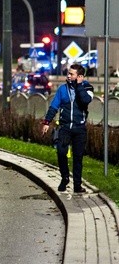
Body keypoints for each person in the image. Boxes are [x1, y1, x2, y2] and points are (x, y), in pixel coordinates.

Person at [41, 63, 93, 193]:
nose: (68, 75)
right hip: (64, 127)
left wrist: (79, 85)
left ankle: (77, 185)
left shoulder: (87, 87)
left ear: (80, 76)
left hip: (79, 128)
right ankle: (64, 177)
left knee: (78, 158)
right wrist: (47, 122)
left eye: (71, 74)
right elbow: (54, 106)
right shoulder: (62, 89)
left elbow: (85, 101)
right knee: (61, 152)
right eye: (68, 73)